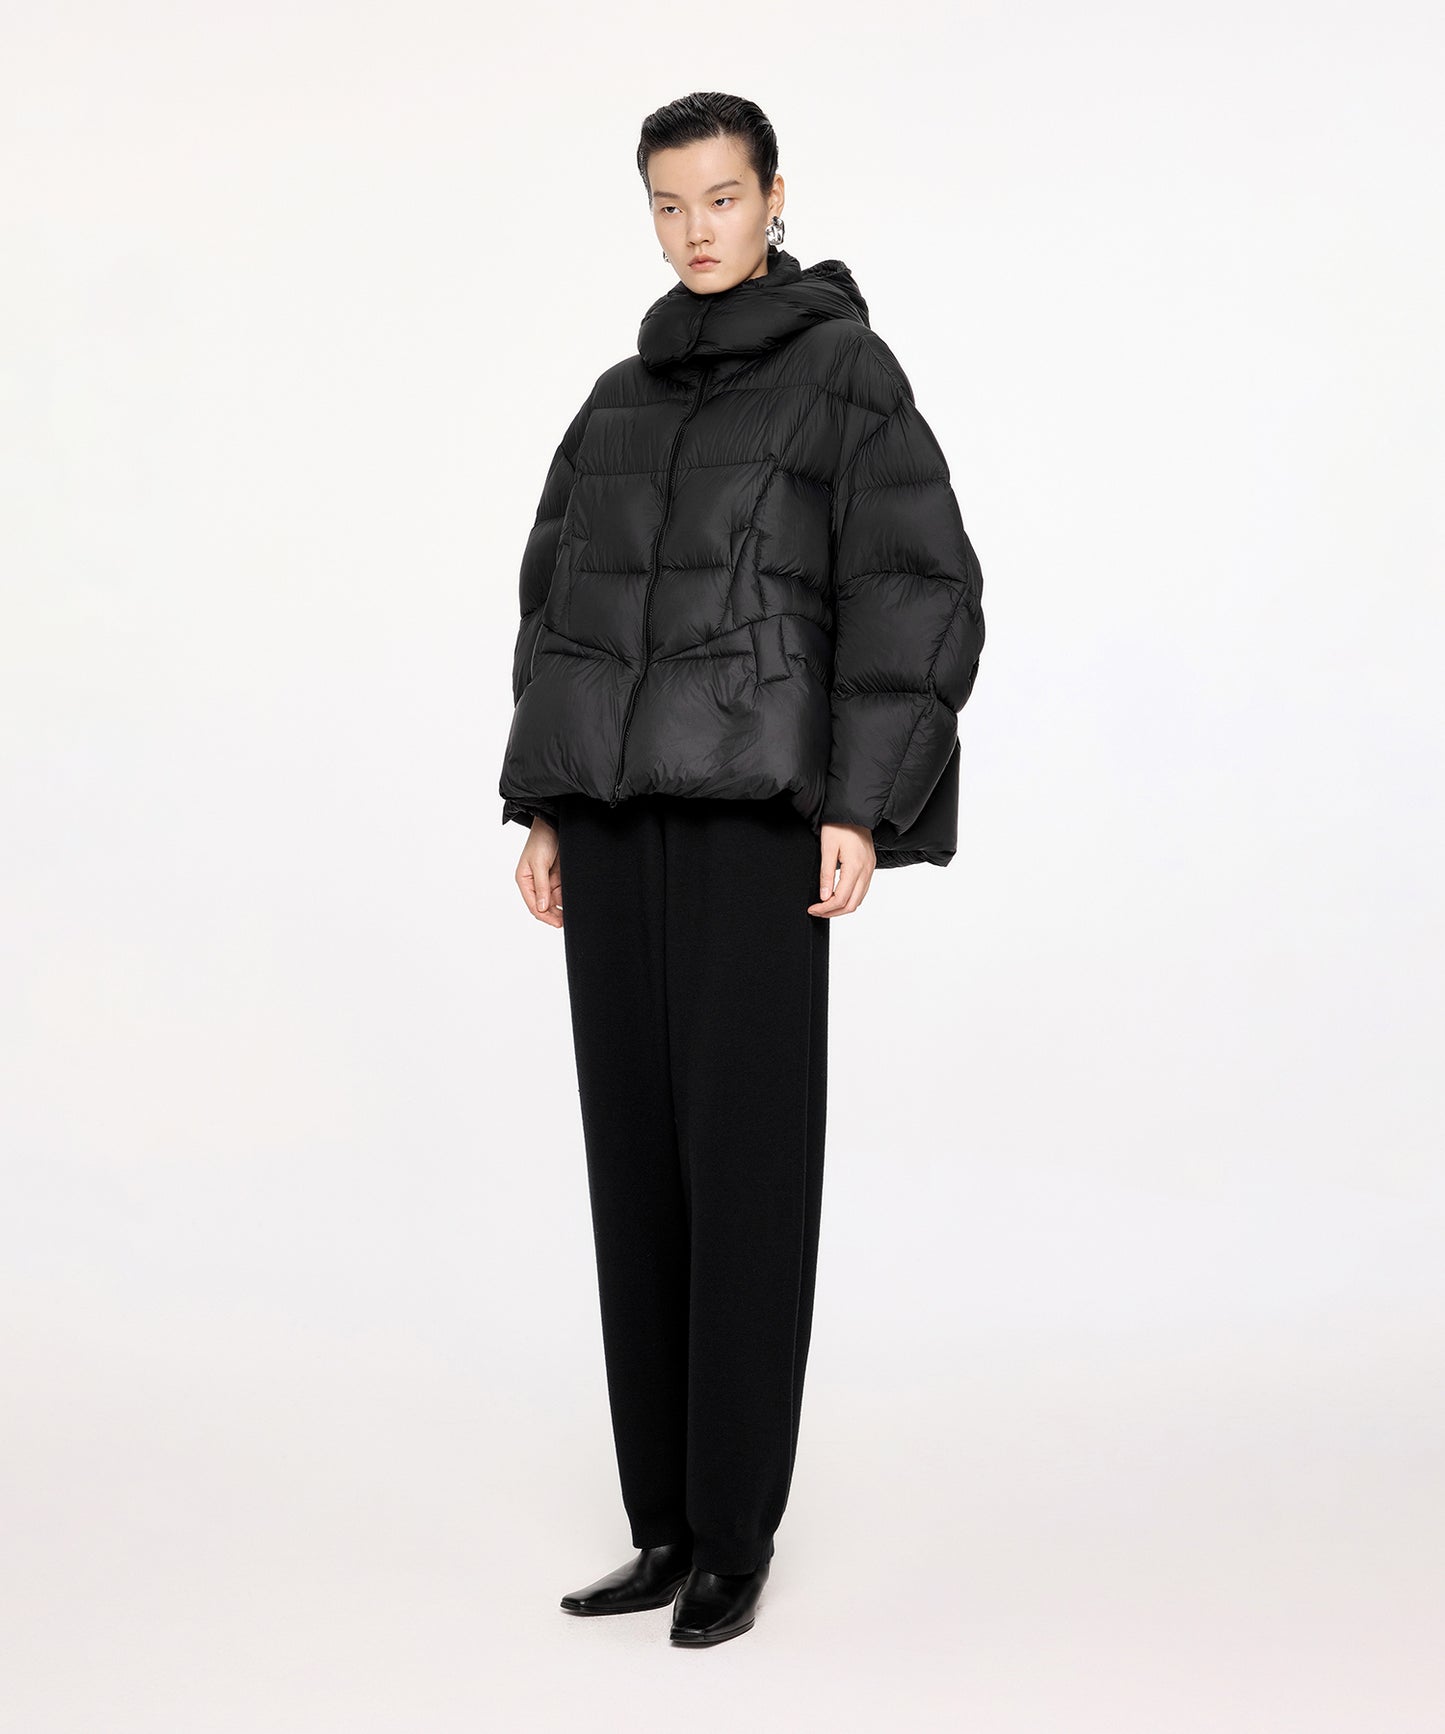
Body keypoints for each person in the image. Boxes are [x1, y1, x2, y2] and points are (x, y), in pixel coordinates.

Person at [498, 91, 986, 1647]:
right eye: (668, 203)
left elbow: (916, 585)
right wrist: (546, 805)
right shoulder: (613, 402)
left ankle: (731, 1531)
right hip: (616, 827)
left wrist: (861, 803)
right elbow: (558, 605)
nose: (695, 229)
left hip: (754, 826)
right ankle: (657, 1523)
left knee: (746, 1174)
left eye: (720, 197)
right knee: (635, 1173)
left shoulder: (843, 376)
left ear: (775, 196)